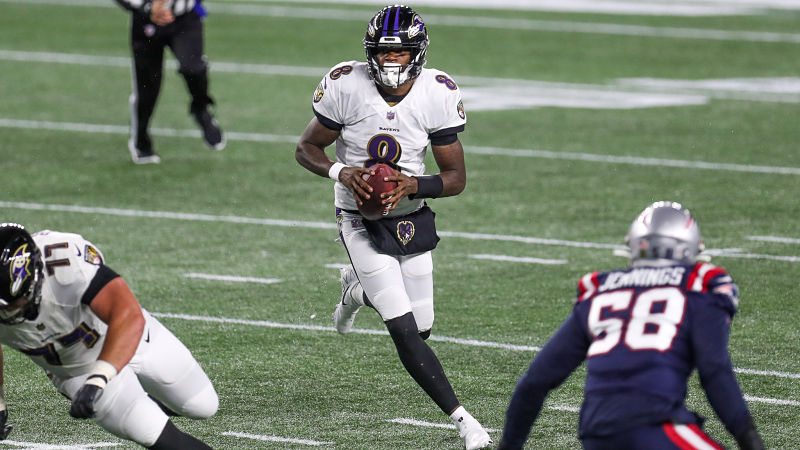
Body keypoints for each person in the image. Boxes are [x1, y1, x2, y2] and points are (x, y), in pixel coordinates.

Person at [294, 5, 491, 450]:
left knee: (421, 328)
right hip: (357, 217)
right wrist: (341, 172)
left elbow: (456, 179)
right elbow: (306, 147)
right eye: (384, 53)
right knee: (402, 329)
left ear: (416, 53)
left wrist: (412, 184)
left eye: (400, 52)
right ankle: (465, 422)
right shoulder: (346, 84)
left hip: (408, 217)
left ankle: (356, 291)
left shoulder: (438, 92)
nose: (391, 61)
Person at [497, 201, 765, 450]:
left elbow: (534, 383)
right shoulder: (699, 285)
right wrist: (748, 437)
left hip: (595, 431)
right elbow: (714, 370)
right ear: (691, 245)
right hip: (655, 425)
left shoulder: (599, 291)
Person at [0, 223, 218, 448]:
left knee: (203, 405)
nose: (8, 313)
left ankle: (141, 394)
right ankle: (136, 402)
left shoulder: (64, 260)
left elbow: (127, 314)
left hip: (126, 336)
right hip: (74, 370)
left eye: (14, 302)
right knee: (157, 435)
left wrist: (100, 376)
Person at [114, 0, 225, 164]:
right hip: (146, 21)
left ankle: (200, 108)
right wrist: (149, 8)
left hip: (184, 18)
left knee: (194, 69)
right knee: (147, 88)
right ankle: (141, 141)